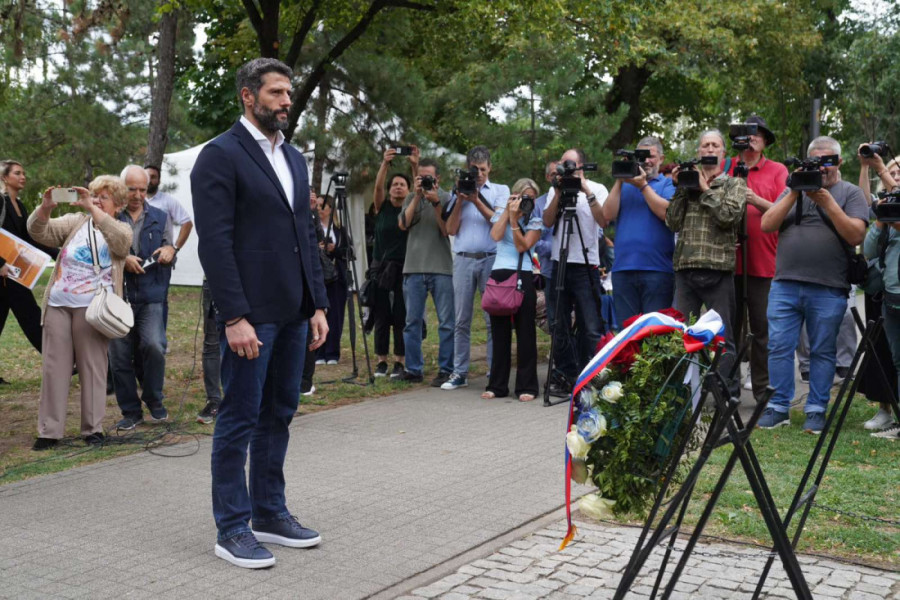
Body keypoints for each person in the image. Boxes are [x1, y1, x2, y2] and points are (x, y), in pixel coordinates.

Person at [191, 57, 329, 569]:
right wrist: (234, 316)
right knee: (240, 418)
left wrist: (316, 303)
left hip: (294, 311)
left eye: (288, 93)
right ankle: (232, 527)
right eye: (275, 93)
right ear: (248, 97)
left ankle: (270, 512)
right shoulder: (219, 156)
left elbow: (305, 237)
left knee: (280, 414)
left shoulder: (292, 157)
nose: (286, 100)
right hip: (251, 315)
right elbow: (215, 244)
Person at [759, 136, 869, 433]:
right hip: (785, 284)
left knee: (822, 350)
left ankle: (816, 408)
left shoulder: (851, 193)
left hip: (829, 286)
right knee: (779, 346)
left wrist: (827, 200)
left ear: (839, 162)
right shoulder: (792, 190)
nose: (822, 167)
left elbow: (856, 235)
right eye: (816, 162)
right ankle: (779, 406)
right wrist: (795, 193)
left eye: (828, 161)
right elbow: (767, 224)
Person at [26, 176, 132, 450]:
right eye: (93, 195)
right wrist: (45, 208)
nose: (95, 200)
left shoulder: (119, 227)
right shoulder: (76, 221)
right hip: (59, 304)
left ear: (118, 204)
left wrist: (94, 211)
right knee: (54, 368)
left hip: (94, 308)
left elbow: (121, 244)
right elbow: (39, 232)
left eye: (103, 197)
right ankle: (49, 431)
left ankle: (92, 429)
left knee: (93, 369)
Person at [667, 129, 746, 383]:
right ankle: (682, 400)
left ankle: (726, 397)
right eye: (705, 146)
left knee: (723, 337)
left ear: (723, 153)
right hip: (685, 269)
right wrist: (681, 188)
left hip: (718, 269)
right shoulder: (686, 184)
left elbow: (729, 216)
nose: (709, 149)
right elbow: (671, 222)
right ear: (698, 152)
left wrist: (704, 189)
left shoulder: (735, 183)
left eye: (715, 145)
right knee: (679, 336)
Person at [108, 165, 175, 431]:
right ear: (122, 187)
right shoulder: (110, 216)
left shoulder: (161, 215)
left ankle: (154, 399)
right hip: (117, 296)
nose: (137, 195)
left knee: (154, 346)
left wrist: (170, 250)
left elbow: (170, 245)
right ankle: (130, 411)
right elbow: (100, 250)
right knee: (120, 356)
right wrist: (122, 260)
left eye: (142, 189)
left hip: (152, 294)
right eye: (131, 189)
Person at [727, 115, 789, 400]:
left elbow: (783, 211)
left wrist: (752, 198)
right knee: (730, 331)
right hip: (729, 264)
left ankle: (763, 391)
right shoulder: (727, 168)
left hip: (764, 262)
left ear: (765, 142)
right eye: (745, 133)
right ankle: (730, 389)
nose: (750, 138)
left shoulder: (777, 171)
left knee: (762, 332)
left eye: (757, 134)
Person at [442, 145, 508, 391]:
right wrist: (460, 200)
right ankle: (459, 372)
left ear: (490, 168)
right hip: (463, 259)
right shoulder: (457, 192)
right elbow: (450, 229)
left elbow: (497, 220)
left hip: (491, 258)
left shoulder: (501, 191)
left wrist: (476, 199)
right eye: (474, 169)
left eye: (482, 169)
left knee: (492, 319)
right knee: (461, 319)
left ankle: (494, 371)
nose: (478, 174)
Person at [542, 148, 608, 394]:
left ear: (580, 165)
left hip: (585, 264)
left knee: (590, 325)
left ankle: (593, 378)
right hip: (560, 263)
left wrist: (585, 189)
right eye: (561, 163)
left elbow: (603, 221)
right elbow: (548, 222)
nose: (563, 167)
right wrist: (558, 192)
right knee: (558, 324)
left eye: (568, 163)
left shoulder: (597, 188)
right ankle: (568, 375)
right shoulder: (554, 189)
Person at [603, 136, 677, 329]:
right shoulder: (624, 186)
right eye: (640, 156)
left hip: (657, 270)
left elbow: (666, 213)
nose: (645, 161)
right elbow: (607, 215)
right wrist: (621, 179)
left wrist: (643, 186)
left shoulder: (667, 184)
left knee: (655, 333)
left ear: (661, 158)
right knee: (627, 333)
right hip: (623, 270)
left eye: (650, 156)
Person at [483, 178, 542, 401]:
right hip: (499, 276)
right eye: (523, 197)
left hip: (523, 277)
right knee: (499, 333)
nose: (528, 202)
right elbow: (495, 236)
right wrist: (508, 213)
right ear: (514, 197)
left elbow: (522, 246)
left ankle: (527, 387)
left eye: (531, 198)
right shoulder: (502, 215)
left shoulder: (536, 222)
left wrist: (516, 222)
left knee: (526, 332)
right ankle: (497, 386)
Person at [399, 150, 455, 387]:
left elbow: (446, 230)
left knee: (446, 322)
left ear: (438, 179)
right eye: (420, 178)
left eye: (428, 178)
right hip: (413, 267)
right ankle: (413, 369)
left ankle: (446, 369)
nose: (425, 182)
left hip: (441, 267)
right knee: (412, 322)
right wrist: (416, 196)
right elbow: (403, 225)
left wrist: (435, 202)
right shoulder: (411, 196)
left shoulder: (446, 197)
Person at [0, 160, 59, 384]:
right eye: (17, 173)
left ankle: (59, 360)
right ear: (5, 178)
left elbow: (30, 237)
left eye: (23, 173)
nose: (23, 176)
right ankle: (60, 361)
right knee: (32, 318)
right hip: (6, 273)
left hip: (13, 273)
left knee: (27, 318)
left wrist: (57, 252)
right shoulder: (0, 201)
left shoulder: (20, 205)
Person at [859, 151, 900, 431]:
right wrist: (880, 222)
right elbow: (870, 250)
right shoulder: (886, 205)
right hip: (891, 296)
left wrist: (880, 168)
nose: (895, 177)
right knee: (896, 361)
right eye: (893, 172)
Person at [371, 150, 410, 379]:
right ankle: (381, 361)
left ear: (407, 189)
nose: (397, 187)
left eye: (402, 184)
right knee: (381, 314)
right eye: (394, 184)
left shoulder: (411, 208)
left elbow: (418, 192)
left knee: (401, 315)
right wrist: (384, 164)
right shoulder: (382, 207)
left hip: (404, 267)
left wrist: (414, 165)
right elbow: (377, 188)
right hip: (381, 267)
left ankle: (400, 361)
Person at [316, 194, 348, 365]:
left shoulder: (339, 229)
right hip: (320, 277)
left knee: (336, 315)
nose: (319, 209)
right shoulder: (313, 228)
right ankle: (319, 352)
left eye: (323, 206)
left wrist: (334, 248)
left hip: (337, 277)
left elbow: (349, 252)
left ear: (330, 208)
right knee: (320, 313)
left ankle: (332, 352)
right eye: (317, 205)